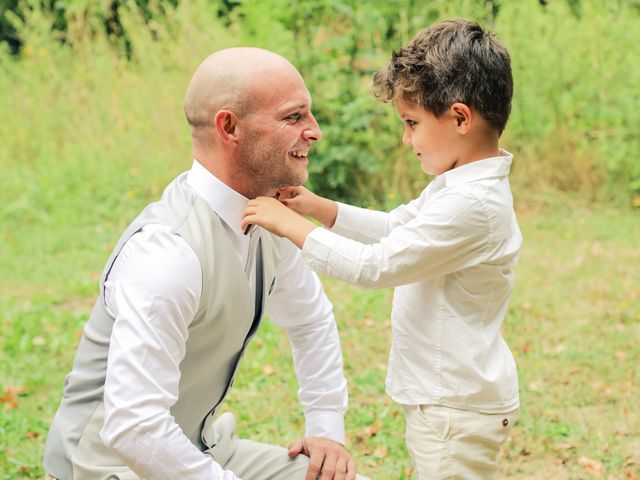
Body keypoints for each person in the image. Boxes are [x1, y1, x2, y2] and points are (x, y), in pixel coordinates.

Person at [43, 47, 369, 480]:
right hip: (107, 468)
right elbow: (134, 427)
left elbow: (310, 319)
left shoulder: (270, 216)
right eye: (294, 117)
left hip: (203, 451)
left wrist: (326, 428)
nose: (315, 131)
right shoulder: (166, 253)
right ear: (229, 126)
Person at [242, 19, 522, 479]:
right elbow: (396, 228)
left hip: (455, 406)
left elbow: (377, 266)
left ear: (459, 118)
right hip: (446, 400)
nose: (406, 140)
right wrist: (322, 209)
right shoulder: (456, 186)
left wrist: (291, 226)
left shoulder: (472, 204)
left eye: (412, 124)